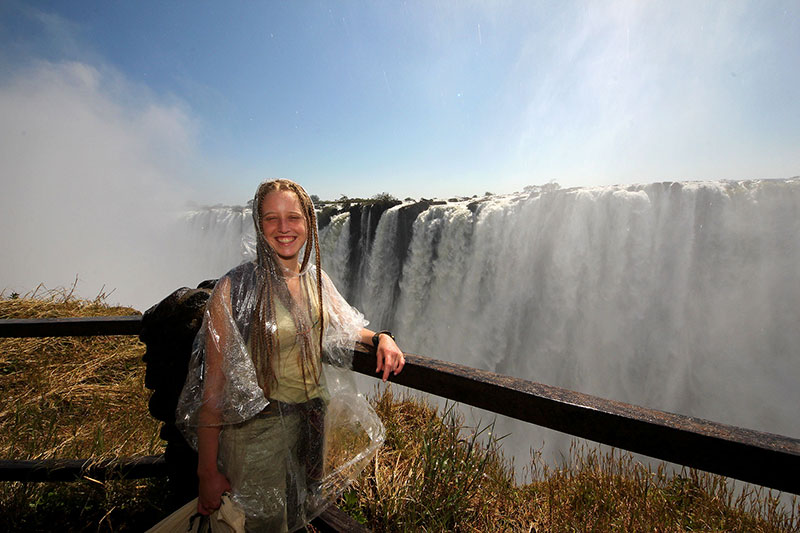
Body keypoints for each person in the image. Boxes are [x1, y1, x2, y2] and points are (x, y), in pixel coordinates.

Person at [175, 179, 405, 532]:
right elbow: (214, 389)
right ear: (258, 224)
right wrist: (207, 471)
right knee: (262, 524)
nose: (284, 228)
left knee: (299, 515)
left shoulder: (317, 280)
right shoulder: (234, 289)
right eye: (271, 218)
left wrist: (382, 338)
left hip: (311, 425)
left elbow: (346, 326)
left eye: (293, 217)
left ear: (309, 223)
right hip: (256, 436)